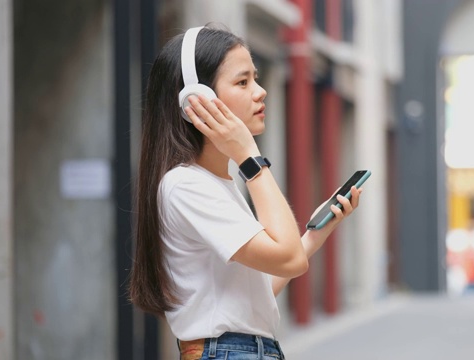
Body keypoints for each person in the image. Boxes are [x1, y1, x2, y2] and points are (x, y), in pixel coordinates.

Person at [128, 24, 363, 360]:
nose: (261, 91)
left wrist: (315, 232)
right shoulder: (185, 185)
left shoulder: (216, 182)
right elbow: (289, 260)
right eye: (243, 82)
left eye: (255, 77)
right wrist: (249, 158)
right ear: (197, 102)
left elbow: (256, 294)